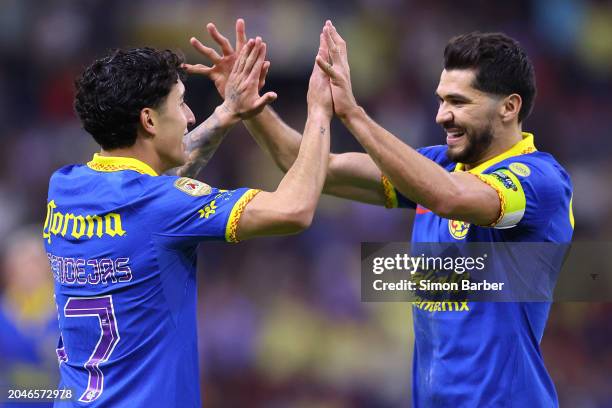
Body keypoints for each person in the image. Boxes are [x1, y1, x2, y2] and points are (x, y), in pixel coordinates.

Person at [188, 19, 574, 407]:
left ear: (509, 107)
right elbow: (309, 164)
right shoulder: (439, 166)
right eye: (441, 100)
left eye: (459, 102)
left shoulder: (540, 182)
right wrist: (248, 105)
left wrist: (352, 113)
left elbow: (450, 198)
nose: (442, 115)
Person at [43, 35, 333, 407]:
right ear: (148, 119)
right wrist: (320, 113)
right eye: (180, 103)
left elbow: (150, 192)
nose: (190, 116)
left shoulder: (64, 188)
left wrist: (227, 112)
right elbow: (294, 209)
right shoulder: (163, 205)